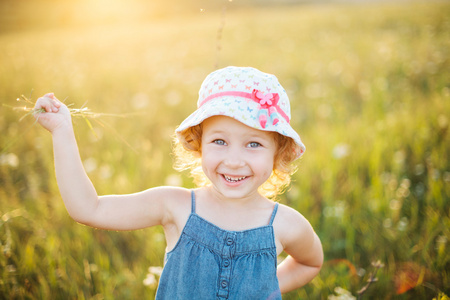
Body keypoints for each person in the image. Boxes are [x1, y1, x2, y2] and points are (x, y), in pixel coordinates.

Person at [34, 66, 323, 299]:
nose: (234, 160)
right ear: (198, 144)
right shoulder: (175, 206)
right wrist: (61, 131)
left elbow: (311, 262)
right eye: (219, 141)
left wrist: (267, 289)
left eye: (254, 144)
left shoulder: (286, 224)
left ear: (279, 154)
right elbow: (88, 209)